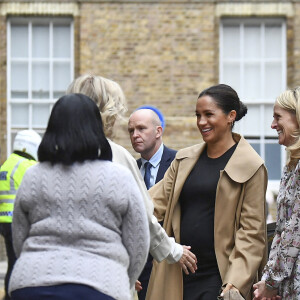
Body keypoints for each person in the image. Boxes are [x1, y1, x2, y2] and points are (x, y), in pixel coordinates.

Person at [8, 93, 150, 300]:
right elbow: (139, 242)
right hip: (100, 286)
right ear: (96, 129)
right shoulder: (119, 177)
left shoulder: (33, 175)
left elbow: (19, 236)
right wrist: (120, 280)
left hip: (31, 284)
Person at [66, 75, 197, 279]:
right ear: (108, 112)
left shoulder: (46, 161)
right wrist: (173, 251)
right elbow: (142, 220)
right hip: (103, 274)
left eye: (142, 128)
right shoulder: (117, 157)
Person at [146, 84, 268, 300]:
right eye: (198, 115)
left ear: (231, 116)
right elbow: (149, 206)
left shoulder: (252, 166)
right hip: (176, 273)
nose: (201, 122)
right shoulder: (183, 160)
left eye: (208, 114)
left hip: (219, 280)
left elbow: (251, 234)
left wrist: (234, 285)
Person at [253, 87, 300, 300]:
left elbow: (294, 231)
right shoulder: (291, 166)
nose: (272, 125)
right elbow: (282, 231)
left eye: (278, 117)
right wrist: (269, 280)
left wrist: (271, 282)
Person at [128, 107, 177, 300]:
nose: (135, 135)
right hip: (138, 267)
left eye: (141, 128)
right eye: (131, 131)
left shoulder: (178, 163)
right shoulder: (130, 167)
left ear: (158, 131)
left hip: (169, 260)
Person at [0, 130, 41, 300]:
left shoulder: (7, 164)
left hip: (4, 220)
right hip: (19, 222)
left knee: (13, 263)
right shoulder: (26, 166)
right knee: (22, 265)